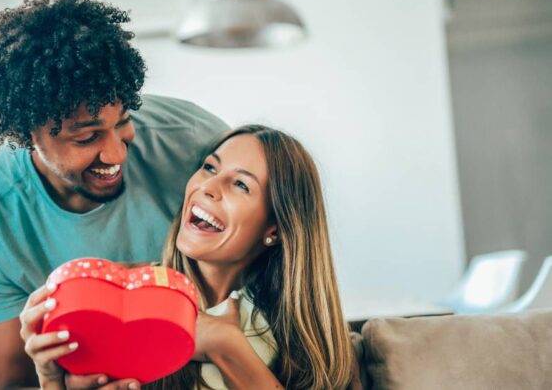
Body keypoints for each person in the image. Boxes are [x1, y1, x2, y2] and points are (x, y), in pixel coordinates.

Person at [0, 0, 228, 390]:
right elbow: (8, 383)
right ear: (25, 133)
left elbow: (284, 246)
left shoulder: (194, 142)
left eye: (122, 121)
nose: (116, 154)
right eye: (86, 138)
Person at [22, 125, 359, 390]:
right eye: (209, 167)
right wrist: (51, 380)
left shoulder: (309, 336)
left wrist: (225, 345)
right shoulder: (125, 301)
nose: (209, 187)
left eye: (241, 185)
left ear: (275, 227)